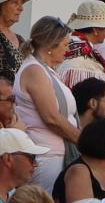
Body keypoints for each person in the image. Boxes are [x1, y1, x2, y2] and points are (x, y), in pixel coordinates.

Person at [11, 17, 80, 184]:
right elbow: (51, 117)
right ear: (51, 46)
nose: (67, 49)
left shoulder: (45, 70)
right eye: (65, 44)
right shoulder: (34, 70)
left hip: (55, 153)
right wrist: (83, 140)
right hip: (46, 155)